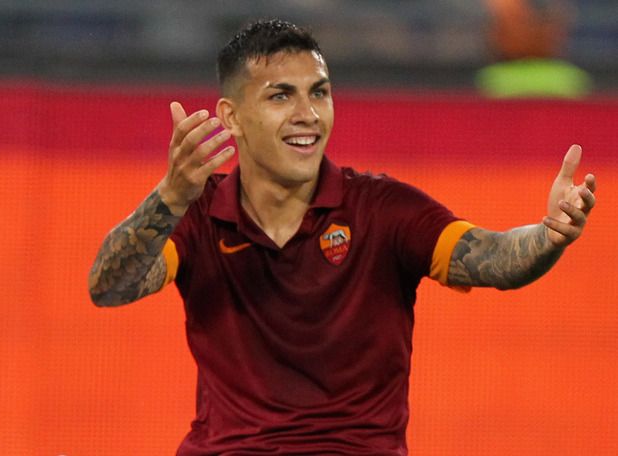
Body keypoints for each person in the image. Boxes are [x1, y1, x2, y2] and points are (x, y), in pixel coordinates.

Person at [88, 19, 596, 455]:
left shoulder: (385, 209)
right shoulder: (197, 214)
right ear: (232, 117)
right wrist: (171, 196)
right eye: (281, 95)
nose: (308, 113)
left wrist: (549, 235)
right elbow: (110, 286)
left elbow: (495, 258)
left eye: (319, 91)